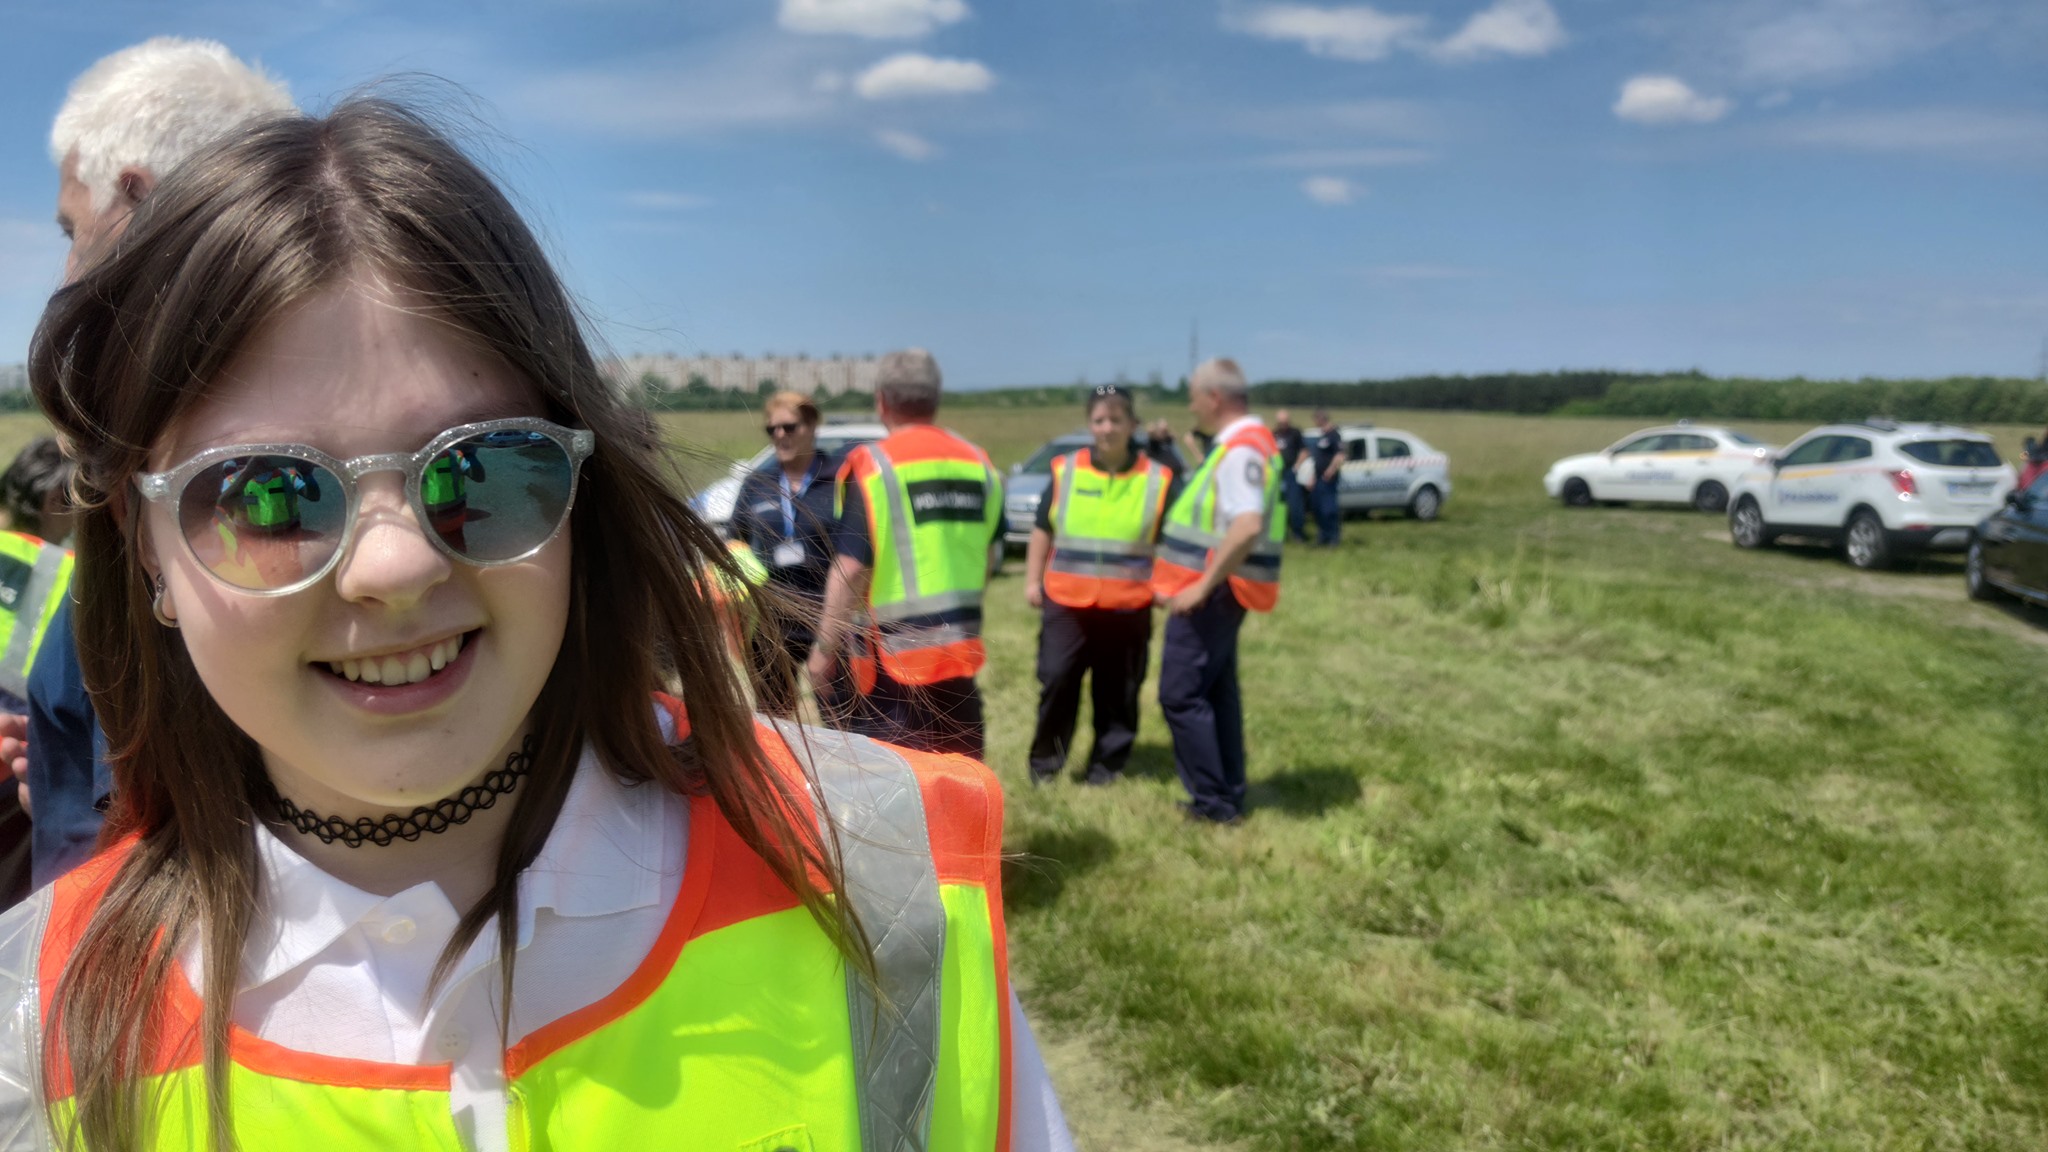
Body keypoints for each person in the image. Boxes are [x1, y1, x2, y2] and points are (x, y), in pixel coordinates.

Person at [0, 100, 1071, 1151]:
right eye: (268, 494)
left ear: (577, 486)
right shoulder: (30, 1033)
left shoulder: (878, 875)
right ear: (145, 547)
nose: (395, 565)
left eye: (484, 470)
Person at [4, 38, 298, 893]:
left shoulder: (186, 471)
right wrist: (62, 779)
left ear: (132, 196)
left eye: (72, 227)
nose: (66, 269)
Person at [809, 350, 1004, 759]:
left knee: (901, 793)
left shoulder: (875, 466)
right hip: (957, 653)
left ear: (882, 401)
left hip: (892, 672)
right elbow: (987, 556)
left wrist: (823, 653)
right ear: (935, 398)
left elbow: (851, 568)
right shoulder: (979, 463)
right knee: (960, 782)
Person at [1152, 358, 1285, 825]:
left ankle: (1213, 803)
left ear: (1214, 398)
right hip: (1228, 589)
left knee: (1181, 695)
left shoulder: (1241, 449)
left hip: (1215, 591)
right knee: (1217, 692)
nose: (1189, 404)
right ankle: (1227, 792)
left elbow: (1246, 525)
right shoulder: (1247, 444)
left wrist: (1201, 586)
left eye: (1193, 394)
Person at [1024, 386, 1172, 786]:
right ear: (1090, 425)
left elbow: (1175, 542)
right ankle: (1045, 766)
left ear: (1132, 425)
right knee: (1057, 681)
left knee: (1118, 692)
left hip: (1128, 606)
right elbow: (1042, 530)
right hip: (1067, 603)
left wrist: (1168, 584)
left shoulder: (1158, 478)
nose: (1107, 428)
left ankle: (1105, 768)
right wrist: (1032, 580)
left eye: (1116, 420)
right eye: (1099, 420)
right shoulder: (1064, 470)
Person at [727, 391, 841, 716]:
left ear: (812, 425)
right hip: (774, 616)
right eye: (772, 429)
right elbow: (734, 539)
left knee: (839, 716)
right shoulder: (757, 483)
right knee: (773, 717)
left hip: (828, 614)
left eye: (789, 427)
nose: (780, 435)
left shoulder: (838, 480)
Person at [1273, 408, 1309, 543]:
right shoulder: (1274, 434)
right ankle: (1278, 534)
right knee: (1278, 506)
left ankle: (1298, 533)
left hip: (1291, 473)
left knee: (1295, 505)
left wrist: (1296, 466)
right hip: (1277, 474)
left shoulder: (1295, 433)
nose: (1283, 425)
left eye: (1285, 422)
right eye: (1280, 422)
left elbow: (1304, 451)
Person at [1308, 407, 1343, 546]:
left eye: (1316, 420)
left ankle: (1333, 537)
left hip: (1328, 479)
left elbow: (1340, 455)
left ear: (1321, 419)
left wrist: (1331, 470)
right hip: (1318, 478)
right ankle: (1322, 536)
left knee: (1329, 509)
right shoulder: (1322, 435)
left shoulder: (1334, 435)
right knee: (1318, 508)